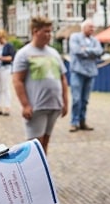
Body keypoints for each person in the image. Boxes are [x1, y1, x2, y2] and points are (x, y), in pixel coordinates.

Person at [12, 16, 68, 154]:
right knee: (34, 148)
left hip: (54, 105)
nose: (49, 35)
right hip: (37, 107)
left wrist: (65, 102)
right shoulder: (24, 53)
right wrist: (25, 105)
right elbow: (17, 80)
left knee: (45, 144)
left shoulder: (54, 53)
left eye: (50, 32)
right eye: (46, 31)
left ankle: (42, 174)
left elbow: (62, 78)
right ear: (35, 31)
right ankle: (33, 174)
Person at [68, 20, 103, 132]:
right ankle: (74, 122)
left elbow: (99, 52)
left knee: (85, 99)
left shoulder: (95, 40)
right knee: (76, 99)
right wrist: (91, 53)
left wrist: (86, 50)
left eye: (93, 27)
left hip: (90, 73)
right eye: (90, 27)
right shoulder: (75, 37)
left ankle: (82, 121)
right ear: (83, 28)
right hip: (77, 72)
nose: (92, 29)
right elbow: (77, 51)